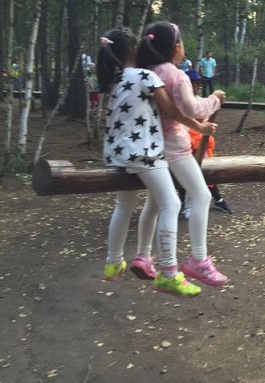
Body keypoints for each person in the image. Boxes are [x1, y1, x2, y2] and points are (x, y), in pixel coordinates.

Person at [97, 29, 215, 297]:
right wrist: (200, 127)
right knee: (171, 204)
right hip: (144, 151)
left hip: (116, 152)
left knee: (123, 205)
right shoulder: (146, 76)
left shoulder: (115, 81)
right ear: (134, 50)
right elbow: (172, 110)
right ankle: (169, 273)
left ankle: (113, 262)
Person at [138, 22, 229, 288]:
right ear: (176, 47)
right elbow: (191, 109)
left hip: (150, 147)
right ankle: (198, 259)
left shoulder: (147, 72)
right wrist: (215, 99)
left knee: (155, 202)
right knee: (201, 195)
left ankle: (143, 255)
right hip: (175, 147)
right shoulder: (175, 75)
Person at [179, 69, 232, 218]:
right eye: (196, 83)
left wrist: (215, 105)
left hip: (200, 141)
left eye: (200, 82)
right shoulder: (183, 101)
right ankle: (185, 203)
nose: (199, 85)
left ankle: (218, 199)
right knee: (185, 174)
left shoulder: (200, 100)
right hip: (185, 142)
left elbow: (206, 119)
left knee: (206, 170)